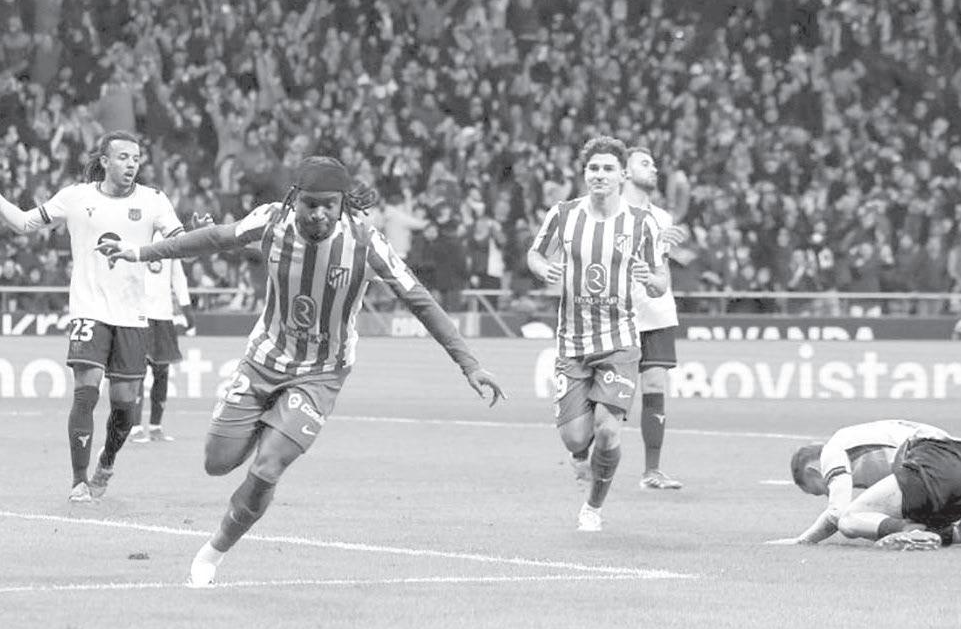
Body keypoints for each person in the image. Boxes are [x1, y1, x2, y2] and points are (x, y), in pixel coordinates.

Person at [98, 156, 506, 586]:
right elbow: (216, 237)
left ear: (343, 203)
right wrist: (139, 253)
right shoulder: (272, 221)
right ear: (295, 199)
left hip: (321, 373)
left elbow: (419, 299)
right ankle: (267, 424)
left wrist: (470, 364)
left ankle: (211, 553)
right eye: (311, 204)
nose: (320, 214)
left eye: (330, 205)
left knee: (267, 468)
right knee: (217, 463)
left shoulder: (365, 241)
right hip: (263, 360)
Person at [0, 130, 185, 502]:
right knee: (86, 392)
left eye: (136, 158)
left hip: (133, 316)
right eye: (123, 157)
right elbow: (24, 223)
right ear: (104, 161)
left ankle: (107, 459)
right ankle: (79, 481)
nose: (131, 164)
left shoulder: (153, 200)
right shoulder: (76, 197)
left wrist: (205, 232)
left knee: (125, 406)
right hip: (89, 310)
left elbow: (180, 243)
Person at [526, 136, 667, 532]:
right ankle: (579, 453)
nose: (600, 175)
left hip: (620, 342)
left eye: (608, 168)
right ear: (584, 173)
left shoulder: (641, 223)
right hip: (572, 344)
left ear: (623, 176)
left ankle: (592, 508)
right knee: (576, 439)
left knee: (607, 431)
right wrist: (543, 269)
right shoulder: (563, 215)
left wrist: (650, 279)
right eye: (593, 168)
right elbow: (534, 254)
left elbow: (661, 281)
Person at [767, 419, 960, 549]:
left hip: (931, 459)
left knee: (849, 518)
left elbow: (837, 513)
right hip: (951, 458)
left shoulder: (832, 450)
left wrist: (803, 541)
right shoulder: (869, 451)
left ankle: (911, 533)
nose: (826, 494)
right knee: (891, 513)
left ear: (813, 471)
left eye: (817, 491)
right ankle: (950, 534)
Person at [623, 147, 689, 490]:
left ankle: (652, 471)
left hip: (657, 313)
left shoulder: (662, 218)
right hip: (618, 312)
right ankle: (588, 454)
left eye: (654, 164)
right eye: (645, 163)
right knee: (614, 392)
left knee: (654, 385)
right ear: (625, 171)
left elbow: (660, 267)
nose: (654, 169)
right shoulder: (608, 213)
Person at [127, 232, 195, 443]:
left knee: (162, 372)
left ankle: (156, 426)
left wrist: (187, 310)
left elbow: (178, 278)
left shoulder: (171, 238)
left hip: (164, 316)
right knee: (138, 372)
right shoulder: (136, 234)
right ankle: (135, 427)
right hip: (139, 314)